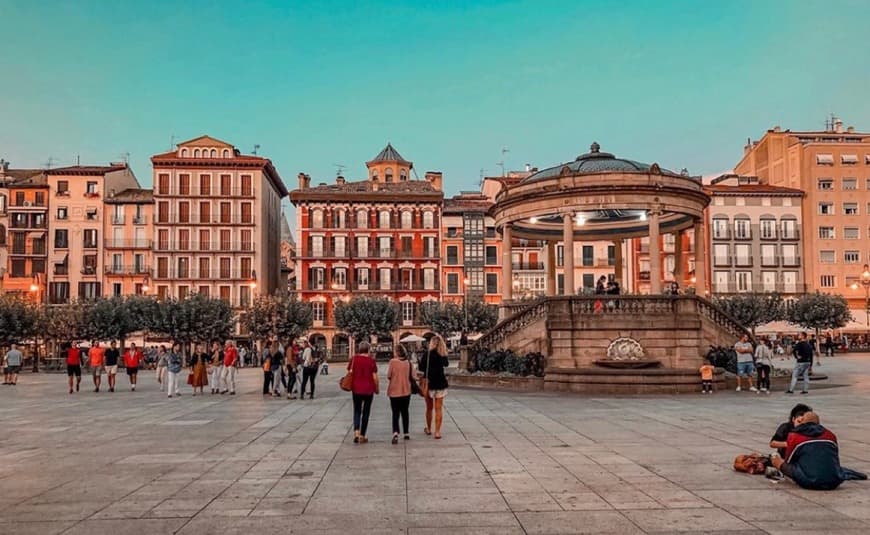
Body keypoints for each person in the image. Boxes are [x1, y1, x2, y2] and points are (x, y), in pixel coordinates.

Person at [771, 412, 867, 490]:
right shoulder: (830, 435)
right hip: (834, 481)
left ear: (803, 421)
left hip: (809, 481)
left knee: (777, 460)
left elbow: (789, 461)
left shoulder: (795, 436)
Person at [420, 334, 450, 439]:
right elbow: (446, 364)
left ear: (431, 343)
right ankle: (437, 432)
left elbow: (421, 367)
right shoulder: (443, 355)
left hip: (429, 384)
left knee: (429, 408)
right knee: (439, 409)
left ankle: (429, 429)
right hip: (441, 383)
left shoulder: (427, 355)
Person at [348, 341, 379, 444]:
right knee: (366, 412)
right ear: (368, 349)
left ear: (359, 349)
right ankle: (362, 435)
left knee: (357, 410)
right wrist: (377, 388)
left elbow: (349, 372)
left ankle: (356, 433)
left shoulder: (354, 359)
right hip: (368, 389)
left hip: (356, 389)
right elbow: (375, 377)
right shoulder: (371, 361)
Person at [387, 344, 413, 443]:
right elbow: (413, 376)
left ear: (397, 352)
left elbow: (389, 375)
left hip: (394, 391)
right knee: (405, 412)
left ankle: (395, 433)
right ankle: (406, 433)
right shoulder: (408, 363)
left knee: (395, 413)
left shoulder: (392, 362)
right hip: (406, 391)